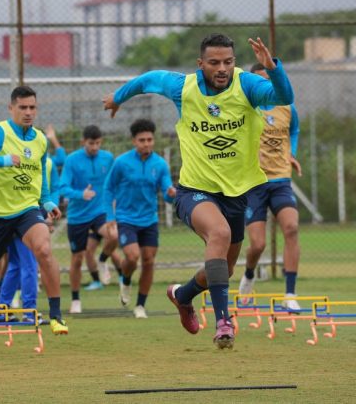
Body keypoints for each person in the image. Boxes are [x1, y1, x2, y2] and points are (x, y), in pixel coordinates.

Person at [103, 34, 294, 349]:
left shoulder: (246, 85)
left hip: (236, 192)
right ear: (200, 64)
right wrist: (118, 98)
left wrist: (271, 67)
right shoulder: (183, 88)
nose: (222, 68)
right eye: (214, 62)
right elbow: (149, 79)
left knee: (224, 268)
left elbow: (284, 96)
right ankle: (223, 322)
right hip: (194, 191)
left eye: (228, 62)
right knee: (217, 234)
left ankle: (182, 295)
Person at [0, 85, 68, 335]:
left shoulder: (40, 139)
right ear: (11, 108)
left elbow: (40, 173)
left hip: (26, 209)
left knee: (44, 249)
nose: (28, 112)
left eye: (32, 107)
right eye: (23, 107)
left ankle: (56, 315)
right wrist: (1, 161)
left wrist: (47, 201)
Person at [239, 63, 303, 310]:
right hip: (255, 183)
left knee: (292, 228)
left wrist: (292, 154)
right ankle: (249, 274)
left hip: (280, 181)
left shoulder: (287, 106)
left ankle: (290, 294)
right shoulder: (246, 108)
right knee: (258, 244)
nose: (264, 86)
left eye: (268, 80)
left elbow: (294, 129)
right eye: (259, 81)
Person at [104, 119, 175, 319]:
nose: (146, 143)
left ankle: (140, 306)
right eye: (142, 140)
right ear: (134, 141)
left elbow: (167, 193)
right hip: (126, 218)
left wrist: (171, 193)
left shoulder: (160, 164)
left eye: (149, 139)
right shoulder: (121, 162)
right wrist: (110, 216)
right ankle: (125, 280)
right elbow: (108, 188)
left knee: (149, 261)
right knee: (133, 257)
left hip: (149, 219)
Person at [59, 125, 121, 314]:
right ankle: (76, 300)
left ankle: (102, 261)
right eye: (91, 143)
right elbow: (62, 187)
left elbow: (114, 183)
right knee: (77, 259)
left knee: (114, 236)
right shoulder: (72, 160)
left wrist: (116, 201)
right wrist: (80, 194)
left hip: (100, 211)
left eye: (97, 143)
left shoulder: (108, 158)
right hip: (78, 216)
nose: (94, 147)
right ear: (83, 142)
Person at [0, 155, 60, 324]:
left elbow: (50, 189)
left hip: (12, 216)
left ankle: (2, 309)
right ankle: (29, 311)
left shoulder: (44, 162)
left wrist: (47, 212)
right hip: (24, 219)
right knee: (29, 265)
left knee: (15, 265)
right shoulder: (17, 159)